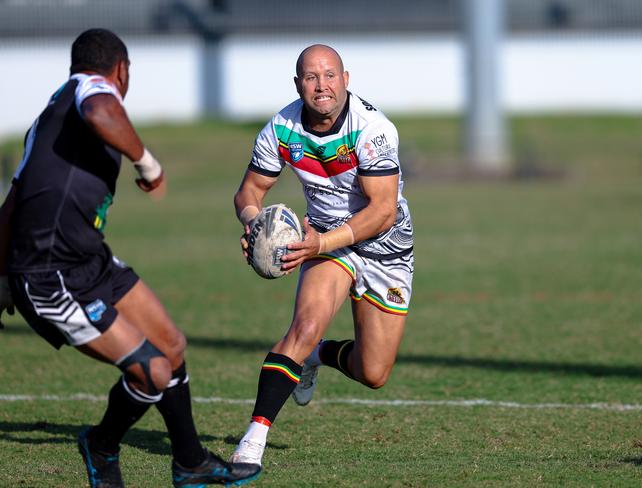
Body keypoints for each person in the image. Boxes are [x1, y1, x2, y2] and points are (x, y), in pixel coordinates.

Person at [0, 28, 260, 488]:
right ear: (121, 70)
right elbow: (101, 109)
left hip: (89, 259)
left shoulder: (47, 118)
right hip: (49, 276)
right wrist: (147, 162)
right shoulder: (93, 89)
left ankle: (190, 462)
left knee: (172, 345)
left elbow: (12, 203)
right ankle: (100, 445)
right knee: (153, 371)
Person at [230, 44, 414, 473]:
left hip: (385, 245)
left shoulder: (373, 128)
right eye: (311, 78)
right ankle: (252, 441)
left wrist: (322, 244)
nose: (321, 85)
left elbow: (383, 209)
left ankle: (318, 356)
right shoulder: (281, 127)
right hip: (324, 243)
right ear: (298, 85)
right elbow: (249, 193)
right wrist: (257, 226)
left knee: (373, 372)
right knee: (305, 326)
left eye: (329, 75)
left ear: (345, 79)